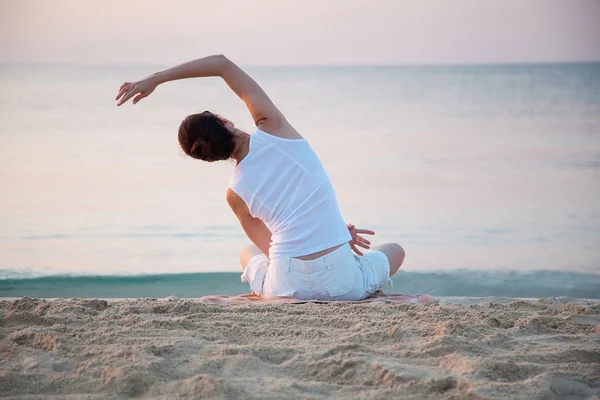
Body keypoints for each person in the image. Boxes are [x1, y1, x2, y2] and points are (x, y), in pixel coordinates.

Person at [115, 54, 405, 301]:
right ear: (224, 121)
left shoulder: (234, 194)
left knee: (247, 251)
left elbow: (269, 248)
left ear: (211, 158)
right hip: (342, 283)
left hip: (286, 288)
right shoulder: (274, 128)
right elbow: (221, 64)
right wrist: (156, 78)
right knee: (394, 250)